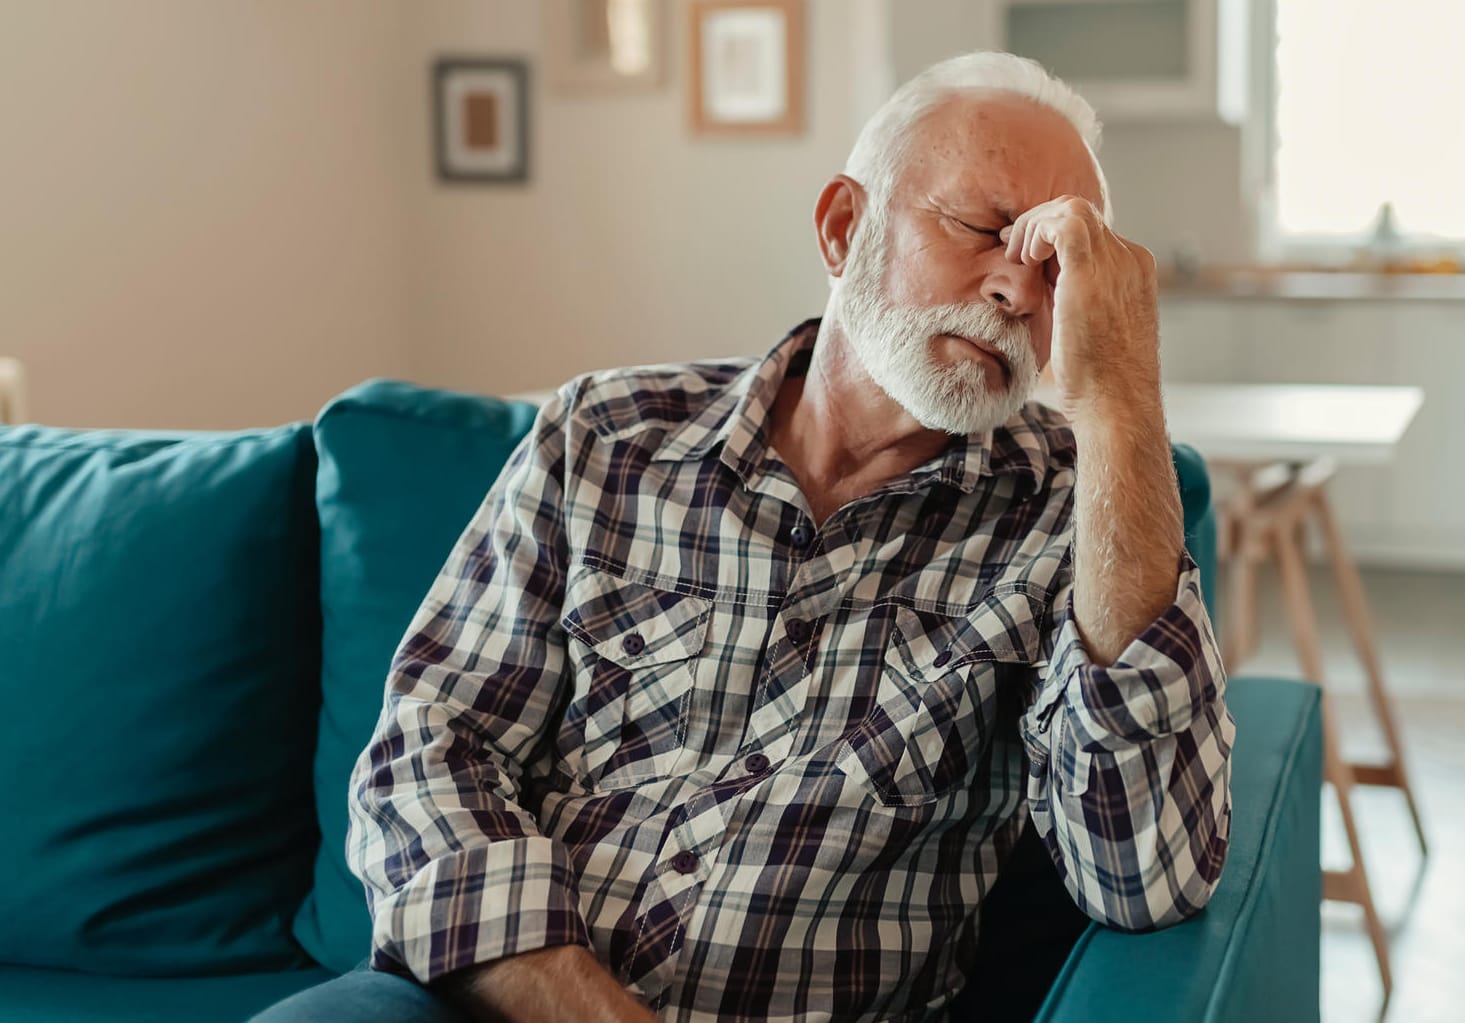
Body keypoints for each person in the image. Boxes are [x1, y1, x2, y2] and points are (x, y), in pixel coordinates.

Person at [254, 50, 1233, 1023]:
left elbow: (1148, 875)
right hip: (494, 1003)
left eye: (1058, 271)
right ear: (843, 228)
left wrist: (1121, 404)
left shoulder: (1064, 517)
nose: (1018, 293)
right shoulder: (605, 434)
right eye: (983, 229)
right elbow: (431, 752)